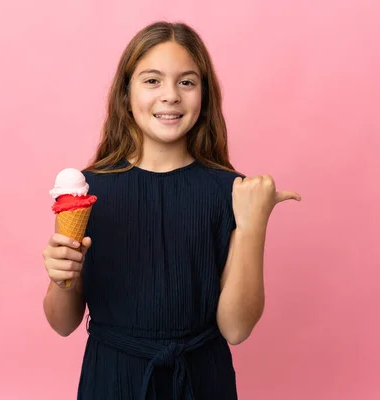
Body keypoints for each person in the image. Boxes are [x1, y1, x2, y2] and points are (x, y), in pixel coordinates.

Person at [42, 21, 301, 400]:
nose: (170, 96)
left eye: (187, 82)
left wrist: (252, 226)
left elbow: (237, 329)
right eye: (151, 81)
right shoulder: (86, 191)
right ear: (125, 92)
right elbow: (62, 323)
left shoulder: (232, 191)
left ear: (204, 94)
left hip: (201, 380)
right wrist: (60, 277)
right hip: (112, 379)